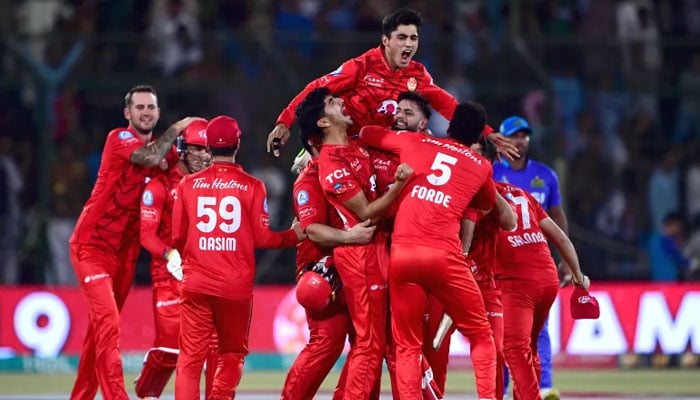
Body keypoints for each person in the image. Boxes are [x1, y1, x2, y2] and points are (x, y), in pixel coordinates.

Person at [359, 101, 499, 399]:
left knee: (407, 345)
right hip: (444, 256)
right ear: (477, 138)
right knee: (481, 335)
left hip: (403, 254)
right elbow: (486, 204)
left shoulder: (417, 141)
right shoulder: (482, 165)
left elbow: (368, 134)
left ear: (448, 126)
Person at [68, 85, 199, 400]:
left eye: (151, 107)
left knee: (98, 332)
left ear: (157, 111)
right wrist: (178, 127)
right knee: (109, 324)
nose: (145, 112)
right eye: (139, 107)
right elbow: (152, 156)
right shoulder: (119, 139)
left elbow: (185, 164)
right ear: (127, 113)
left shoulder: (165, 151)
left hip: (126, 254)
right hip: (92, 246)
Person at [267, 8, 516, 160]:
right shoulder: (361, 66)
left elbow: (448, 105)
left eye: (414, 38)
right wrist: (284, 121)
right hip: (345, 151)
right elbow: (316, 89)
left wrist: (487, 132)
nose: (409, 44)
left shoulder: (418, 75)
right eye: (402, 38)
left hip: (383, 154)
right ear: (385, 40)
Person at [172, 115, 305, 399]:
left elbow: (177, 237)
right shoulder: (253, 186)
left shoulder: (186, 186)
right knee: (231, 354)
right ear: (239, 143)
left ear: (208, 146)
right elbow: (263, 238)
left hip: (196, 282)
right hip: (235, 287)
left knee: (190, 359)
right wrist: (294, 234)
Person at [295, 87, 413, 399]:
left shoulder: (357, 145)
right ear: (322, 123)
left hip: (376, 248)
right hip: (359, 255)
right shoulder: (331, 165)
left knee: (382, 340)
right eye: (333, 103)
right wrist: (401, 184)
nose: (342, 103)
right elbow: (367, 213)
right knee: (369, 342)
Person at [281, 141, 376, 400]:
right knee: (327, 342)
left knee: (366, 346)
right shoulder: (309, 178)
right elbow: (312, 230)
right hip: (326, 269)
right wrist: (350, 238)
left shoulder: (349, 163)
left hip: (358, 263)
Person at [134, 119, 218, 399]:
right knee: (171, 349)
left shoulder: (216, 185)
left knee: (215, 348)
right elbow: (146, 235)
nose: (203, 156)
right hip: (168, 277)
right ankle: (146, 391)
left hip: (207, 277)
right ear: (181, 148)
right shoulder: (158, 187)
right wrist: (170, 254)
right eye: (196, 149)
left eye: (207, 150)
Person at [493, 115, 569, 400]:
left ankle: (543, 386)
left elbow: (557, 217)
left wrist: (563, 258)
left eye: (524, 136)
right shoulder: (489, 172)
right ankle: (498, 388)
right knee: (502, 330)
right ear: (501, 140)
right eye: (514, 136)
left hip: (537, 264)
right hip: (503, 266)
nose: (520, 140)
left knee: (539, 329)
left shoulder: (546, 175)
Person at [493, 181, 590, 400]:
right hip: (547, 278)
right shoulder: (523, 195)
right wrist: (578, 276)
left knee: (515, 350)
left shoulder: (480, 192)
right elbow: (561, 239)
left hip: (518, 280)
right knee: (530, 347)